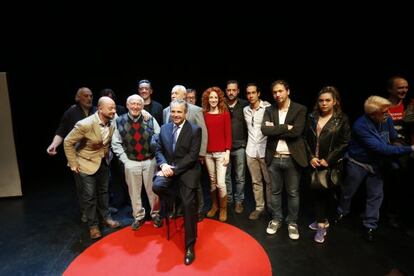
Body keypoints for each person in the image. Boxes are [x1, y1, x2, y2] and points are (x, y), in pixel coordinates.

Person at [336, 96, 414, 242]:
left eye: (387, 111)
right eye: (384, 112)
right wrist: (410, 148)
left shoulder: (387, 119)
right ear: (372, 114)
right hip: (359, 163)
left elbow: (393, 137)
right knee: (349, 191)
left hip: (377, 164)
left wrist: (397, 144)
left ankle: (370, 225)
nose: (387, 114)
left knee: (376, 195)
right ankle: (342, 211)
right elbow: (381, 148)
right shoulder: (360, 126)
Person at [64, 96, 121, 239]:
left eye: (114, 108)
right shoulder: (85, 124)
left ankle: (105, 218)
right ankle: (93, 226)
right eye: (111, 108)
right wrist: (73, 163)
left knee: (104, 192)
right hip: (85, 162)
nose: (114, 111)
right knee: (89, 196)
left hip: (103, 161)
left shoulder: (113, 120)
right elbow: (67, 142)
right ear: (100, 109)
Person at [152, 99, 201, 265]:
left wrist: (174, 169)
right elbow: (158, 149)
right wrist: (163, 164)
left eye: (179, 112)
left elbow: (192, 157)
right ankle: (174, 198)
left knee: (188, 206)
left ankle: (189, 246)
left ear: (185, 113)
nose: (176, 115)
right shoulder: (165, 128)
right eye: (173, 111)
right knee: (157, 186)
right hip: (168, 169)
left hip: (186, 172)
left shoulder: (195, 130)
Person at [303, 86, 351, 243]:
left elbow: (344, 143)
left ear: (334, 101)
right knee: (317, 193)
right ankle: (321, 223)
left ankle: (322, 224)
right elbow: (305, 139)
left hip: (331, 164)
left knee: (327, 194)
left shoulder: (342, 119)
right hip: (314, 163)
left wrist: (328, 159)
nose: (324, 103)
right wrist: (310, 156)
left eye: (327, 100)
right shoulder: (311, 116)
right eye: (321, 100)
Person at [261, 80, 308, 240]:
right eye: (274, 92)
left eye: (280, 91)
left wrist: (275, 129)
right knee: (275, 191)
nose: (277, 95)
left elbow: (296, 132)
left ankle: (292, 223)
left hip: (292, 158)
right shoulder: (269, 109)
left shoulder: (300, 109)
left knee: (293, 192)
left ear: (288, 91)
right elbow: (265, 129)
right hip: (273, 158)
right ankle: (276, 219)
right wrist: (285, 127)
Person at [112, 95, 162, 230]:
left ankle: (156, 214)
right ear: (127, 105)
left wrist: (156, 156)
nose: (135, 106)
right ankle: (138, 217)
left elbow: (159, 136)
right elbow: (115, 143)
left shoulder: (149, 119)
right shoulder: (119, 121)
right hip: (131, 161)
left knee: (154, 191)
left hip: (150, 161)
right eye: (132, 104)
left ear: (142, 106)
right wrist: (125, 161)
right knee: (134, 192)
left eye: (138, 104)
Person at [46, 87, 95, 222]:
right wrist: (53, 145)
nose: (89, 98)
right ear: (78, 98)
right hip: (78, 156)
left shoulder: (96, 111)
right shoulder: (71, 112)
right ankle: (86, 212)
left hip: (96, 155)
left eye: (91, 96)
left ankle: (102, 212)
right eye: (85, 96)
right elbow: (61, 131)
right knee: (82, 187)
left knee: (101, 186)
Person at [163, 85, 208, 220]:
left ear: (184, 96)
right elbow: (165, 132)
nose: (173, 95)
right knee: (175, 183)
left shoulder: (195, 110)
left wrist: (201, 153)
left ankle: (199, 210)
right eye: (171, 93)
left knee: (195, 184)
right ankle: (179, 209)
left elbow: (203, 132)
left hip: (191, 156)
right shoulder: (167, 111)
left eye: (176, 93)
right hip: (173, 156)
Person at [202, 87, 232, 222]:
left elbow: (228, 133)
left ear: (219, 98)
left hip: (221, 154)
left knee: (221, 183)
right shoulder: (204, 113)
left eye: (215, 97)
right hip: (208, 153)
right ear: (207, 100)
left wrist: (227, 152)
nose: (213, 100)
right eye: (211, 98)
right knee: (213, 182)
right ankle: (214, 206)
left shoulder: (224, 112)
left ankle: (223, 208)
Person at [243, 83, 272, 220]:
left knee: (269, 181)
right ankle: (259, 207)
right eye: (248, 93)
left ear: (258, 93)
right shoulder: (245, 110)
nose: (251, 96)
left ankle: (272, 209)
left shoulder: (268, 108)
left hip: (265, 150)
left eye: (253, 92)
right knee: (256, 182)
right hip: (250, 151)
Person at [225, 80, 248, 213]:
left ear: (238, 91)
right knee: (226, 176)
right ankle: (228, 200)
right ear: (226, 91)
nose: (231, 92)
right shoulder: (222, 105)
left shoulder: (244, 104)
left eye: (234, 90)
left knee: (240, 177)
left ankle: (239, 201)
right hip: (225, 148)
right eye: (229, 90)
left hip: (240, 146)